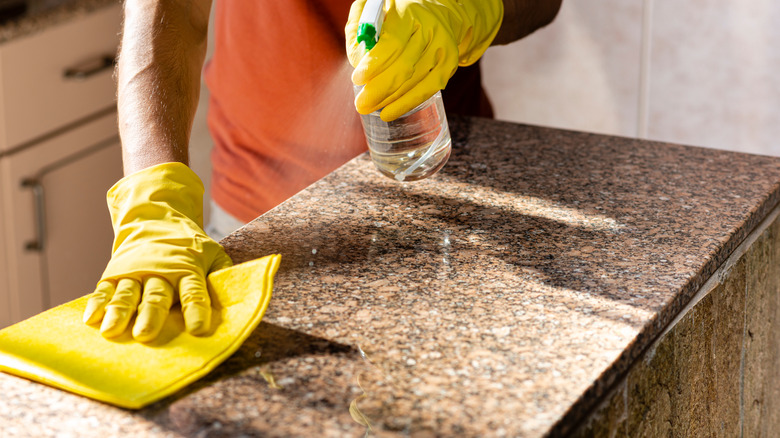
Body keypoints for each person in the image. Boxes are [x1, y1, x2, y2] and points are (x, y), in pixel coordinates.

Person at [81, 0, 562, 342]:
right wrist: (153, 198)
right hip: (263, 220)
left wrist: (459, 9)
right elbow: (167, 9)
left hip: (449, 199)